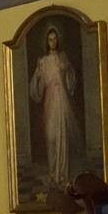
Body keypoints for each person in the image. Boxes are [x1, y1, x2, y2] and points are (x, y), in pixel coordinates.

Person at [29, 25, 81, 189]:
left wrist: (66, 69)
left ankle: (62, 173)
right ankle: (52, 171)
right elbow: (37, 87)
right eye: (50, 39)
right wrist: (38, 73)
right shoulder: (43, 61)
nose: (52, 42)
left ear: (57, 40)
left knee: (62, 135)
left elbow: (71, 80)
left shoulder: (63, 57)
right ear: (47, 42)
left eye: (54, 39)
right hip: (50, 100)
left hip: (61, 98)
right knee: (51, 135)